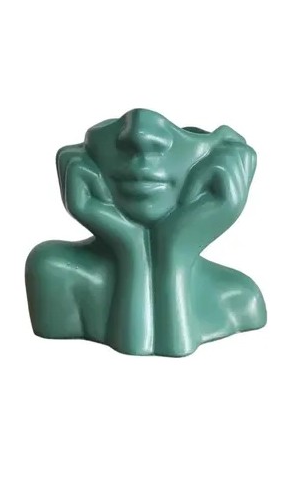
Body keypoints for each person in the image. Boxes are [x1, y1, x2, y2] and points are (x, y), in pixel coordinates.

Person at [25, 108, 267, 356]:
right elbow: (140, 351)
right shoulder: (53, 271)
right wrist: (132, 247)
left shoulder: (241, 298)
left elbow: (168, 351)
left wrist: (173, 252)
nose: (139, 136)